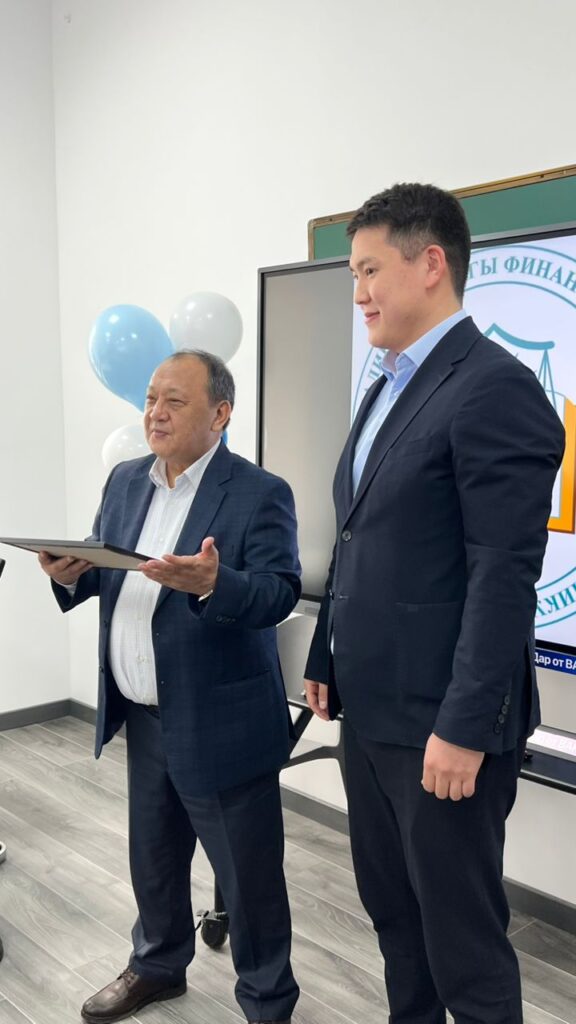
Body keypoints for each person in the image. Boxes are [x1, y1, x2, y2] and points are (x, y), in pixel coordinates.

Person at [304, 183, 565, 1024]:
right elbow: (356, 535)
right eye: (353, 274)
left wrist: (463, 728)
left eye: (369, 270)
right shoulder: (386, 385)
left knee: (464, 951)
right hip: (371, 712)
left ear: (431, 265)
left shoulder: (495, 388)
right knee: (397, 924)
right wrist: (324, 654)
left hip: (443, 729)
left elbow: (503, 577)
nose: (358, 292)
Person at [39, 350, 300, 1024]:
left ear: (220, 413)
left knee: (248, 879)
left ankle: (267, 1002)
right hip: (145, 716)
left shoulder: (259, 492)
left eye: (174, 401)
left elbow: (279, 592)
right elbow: (107, 563)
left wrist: (217, 583)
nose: (154, 412)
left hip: (224, 721)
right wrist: (70, 573)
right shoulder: (126, 480)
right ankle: (157, 965)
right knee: (153, 856)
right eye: (151, 399)